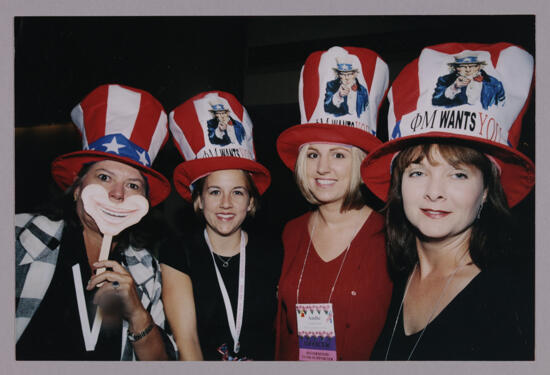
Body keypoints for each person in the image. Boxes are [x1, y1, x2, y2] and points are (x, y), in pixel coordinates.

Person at [361, 43, 534, 360]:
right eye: (417, 172)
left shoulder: (517, 298)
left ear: (485, 191)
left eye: (458, 175)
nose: (434, 192)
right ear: (398, 184)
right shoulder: (400, 276)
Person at [15, 84, 176, 360]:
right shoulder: (17, 237)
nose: (117, 193)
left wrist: (137, 313)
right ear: (77, 188)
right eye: (104, 177)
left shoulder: (145, 268)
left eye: (133, 185)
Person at [275, 46, 393, 361]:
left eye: (338, 155)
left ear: (359, 162)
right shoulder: (290, 231)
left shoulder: (393, 236)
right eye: (313, 154)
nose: (323, 167)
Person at [160, 91, 281, 360]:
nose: (226, 203)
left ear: (250, 202)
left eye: (237, 192)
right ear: (199, 201)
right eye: (214, 192)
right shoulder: (178, 253)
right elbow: (187, 342)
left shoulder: (275, 252)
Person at [432, 53, 505, 110]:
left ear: (478, 67)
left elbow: (501, 105)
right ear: (457, 68)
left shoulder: (494, 83)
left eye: (472, 66)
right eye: (463, 66)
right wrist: (454, 87)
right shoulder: (445, 80)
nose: (468, 70)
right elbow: (435, 102)